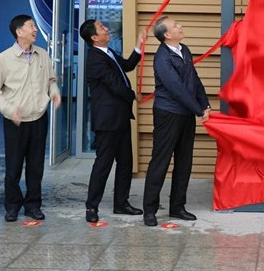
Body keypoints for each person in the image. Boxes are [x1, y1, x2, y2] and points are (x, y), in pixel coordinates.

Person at [0, 14, 60, 222]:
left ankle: (33, 206)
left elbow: (51, 80)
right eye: (31, 26)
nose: (35, 29)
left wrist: (53, 92)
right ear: (19, 32)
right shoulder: (4, 59)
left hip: (38, 118)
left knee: (36, 167)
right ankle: (12, 207)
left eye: (34, 26)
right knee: (13, 167)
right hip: (15, 121)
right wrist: (10, 111)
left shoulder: (43, 55)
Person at [143, 16, 210, 227]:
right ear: (166, 35)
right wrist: (198, 110)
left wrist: (205, 103)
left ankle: (178, 207)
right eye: (175, 26)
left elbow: (194, 79)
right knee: (160, 161)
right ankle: (150, 210)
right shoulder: (162, 58)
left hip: (186, 113)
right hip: (168, 113)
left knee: (184, 161)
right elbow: (177, 89)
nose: (180, 27)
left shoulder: (184, 50)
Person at [80, 19, 146, 223]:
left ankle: (121, 203)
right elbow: (114, 84)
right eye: (101, 28)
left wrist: (138, 46)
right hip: (107, 120)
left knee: (125, 162)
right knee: (103, 164)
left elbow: (126, 66)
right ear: (94, 37)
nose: (106, 29)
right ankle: (92, 207)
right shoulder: (95, 58)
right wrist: (132, 95)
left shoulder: (108, 52)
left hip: (120, 117)